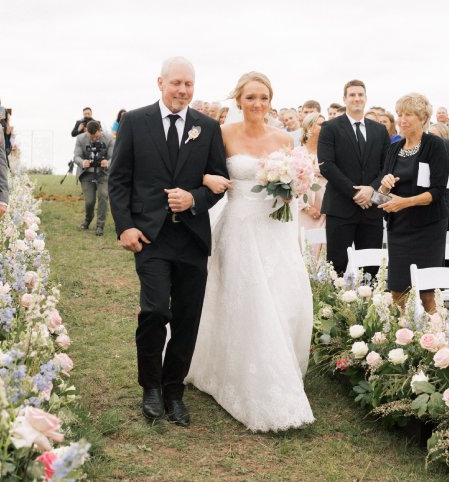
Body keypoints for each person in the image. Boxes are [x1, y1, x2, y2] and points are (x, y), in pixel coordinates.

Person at [186, 71, 315, 432]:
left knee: (281, 297)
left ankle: (280, 366)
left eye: (264, 97)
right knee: (246, 298)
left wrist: (293, 188)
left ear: (271, 101)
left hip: (276, 226)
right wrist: (208, 180)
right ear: (238, 100)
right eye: (251, 97)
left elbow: (297, 184)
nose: (258, 104)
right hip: (239, 225)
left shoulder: (284, 137)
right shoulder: (222, 134)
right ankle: (238, 372)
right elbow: (203, 173)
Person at [108, 56, 227, 427]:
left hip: (192, 237)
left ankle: (174, 390)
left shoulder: (206, 127)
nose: (183, 91)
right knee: (157, 310)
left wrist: (195, 198)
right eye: (176, 83)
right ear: (160, 83)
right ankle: (151, 386)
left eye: (189, 84)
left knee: (188, 318)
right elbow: (119, 179)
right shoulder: (135, 121)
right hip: (151, 236)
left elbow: (219, 180)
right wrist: (125, 227)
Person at [376, 93, 449, 312]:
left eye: (409, 114)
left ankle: (435, 341)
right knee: (397, 291)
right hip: (399, 228)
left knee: (427, 293)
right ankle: (401, 342)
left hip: (428, 229)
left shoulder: (436, 146)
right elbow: (380, 198)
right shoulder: (393, 148)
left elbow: (438, 192)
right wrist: (385, 187)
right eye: (399, 114)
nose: (402, 119)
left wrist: (404, 202)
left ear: (424, 117)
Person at [317, 79, 390, 274]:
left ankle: (371, 304)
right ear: (345, 99)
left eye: (360, 95)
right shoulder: (330, 128)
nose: (356, 98)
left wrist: (371, 190)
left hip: (372, 209)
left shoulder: (380, 130)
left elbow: (387, 166)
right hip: (340, 207)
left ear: (365, 98)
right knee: (337, 266)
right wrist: (355, 193)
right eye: (352, 95)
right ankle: (334, 305)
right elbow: (326, 166)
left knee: (372, 269)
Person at [75, 119, 113, 235]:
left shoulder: (109, 139)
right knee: (90, 201)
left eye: (96, 137)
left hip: (103, 173)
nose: (94, 139)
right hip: (87, 173)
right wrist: (82, 162)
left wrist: (107, 162)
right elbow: (76, 156)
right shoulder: (80, 138)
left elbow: (113, 157)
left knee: (103, 196)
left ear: (100, 130)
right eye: (91, 137)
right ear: (87, 131)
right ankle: (88, 219)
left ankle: (100, 225)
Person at [298, 112, 327, 255]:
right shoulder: (297, 153)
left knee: (323, 251)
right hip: (303, 210)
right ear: (309, 126)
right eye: (321, 124)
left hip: (325, 209)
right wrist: (306, 207)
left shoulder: (329, 152)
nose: (325, 127)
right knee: (303, 248)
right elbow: (291, 184)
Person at [429, 122, 449, 228]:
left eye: (433, 135)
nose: (429, 138)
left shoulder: (446, 148)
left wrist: (447, 213)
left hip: (441, 213)